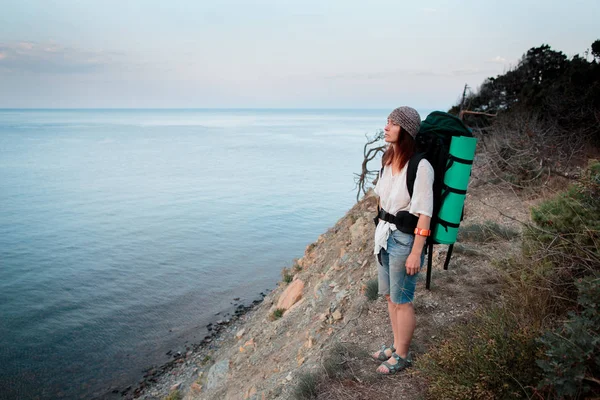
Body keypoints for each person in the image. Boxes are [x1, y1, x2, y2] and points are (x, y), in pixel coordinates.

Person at [371, 106, 434, 374]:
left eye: (392, 123)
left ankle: (403, 355)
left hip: (405, 241)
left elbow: (425, 214)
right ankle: (396, 346)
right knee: (388, 296)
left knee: (402, 300)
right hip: (384, 236)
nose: (386, 127)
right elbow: (382, 199)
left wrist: (415, 252)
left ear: (405, 130)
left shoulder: (421, 166)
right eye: (387, 122)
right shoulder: (387, 160)